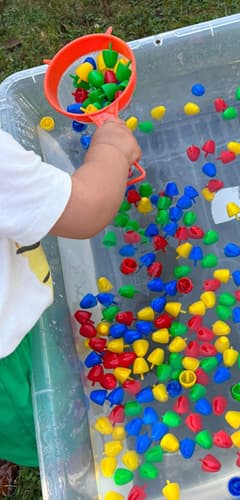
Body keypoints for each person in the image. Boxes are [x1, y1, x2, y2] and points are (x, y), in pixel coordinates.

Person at [0, 119, 141, 495]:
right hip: (7, 364)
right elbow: (87, 209)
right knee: (48, 423)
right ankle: (75, 464)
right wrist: (110, 148)